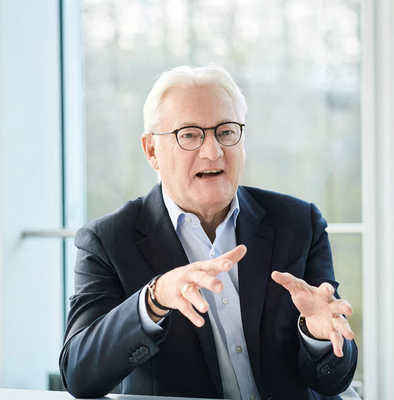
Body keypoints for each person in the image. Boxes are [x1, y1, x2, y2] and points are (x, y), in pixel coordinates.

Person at [59, 65, 357, 400]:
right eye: (189, 134)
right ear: (152, 151)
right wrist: (155, 299)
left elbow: (334, 381)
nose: (213, 152)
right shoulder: (108, 241)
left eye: (226, 131)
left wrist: (318, 338)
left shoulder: (299, 222)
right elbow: (79, 374)